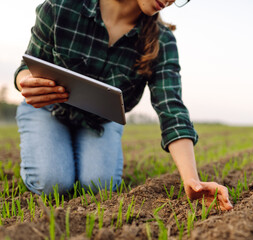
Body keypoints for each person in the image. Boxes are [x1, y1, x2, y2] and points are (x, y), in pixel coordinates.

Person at [14, 0, 233, 211]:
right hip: (48, 110)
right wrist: (24, 82)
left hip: (100, 120)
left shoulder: (162, 42)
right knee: (52, 183)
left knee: (99, 186)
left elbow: (171, 108)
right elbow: (28, 65)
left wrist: (192, 180)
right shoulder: (61, 6)